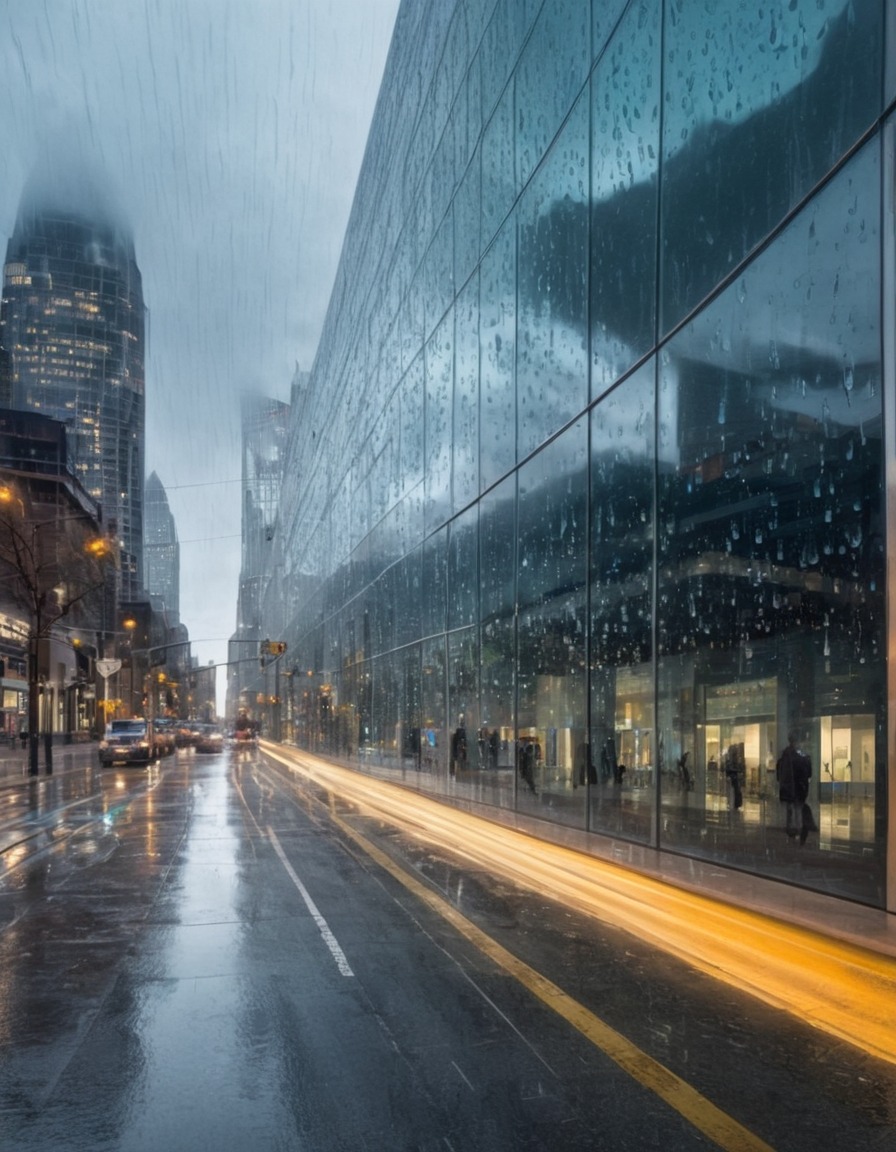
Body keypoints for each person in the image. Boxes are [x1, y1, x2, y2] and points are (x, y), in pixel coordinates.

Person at [776, 732, 818, 845]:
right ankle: (797, 828)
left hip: (788, 787)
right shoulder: (801, 757)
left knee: (790, 809)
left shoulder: (785, 755)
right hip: (798, 787)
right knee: (797, 808)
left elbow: (779, 773)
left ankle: (791, 828)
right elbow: (807, 773)